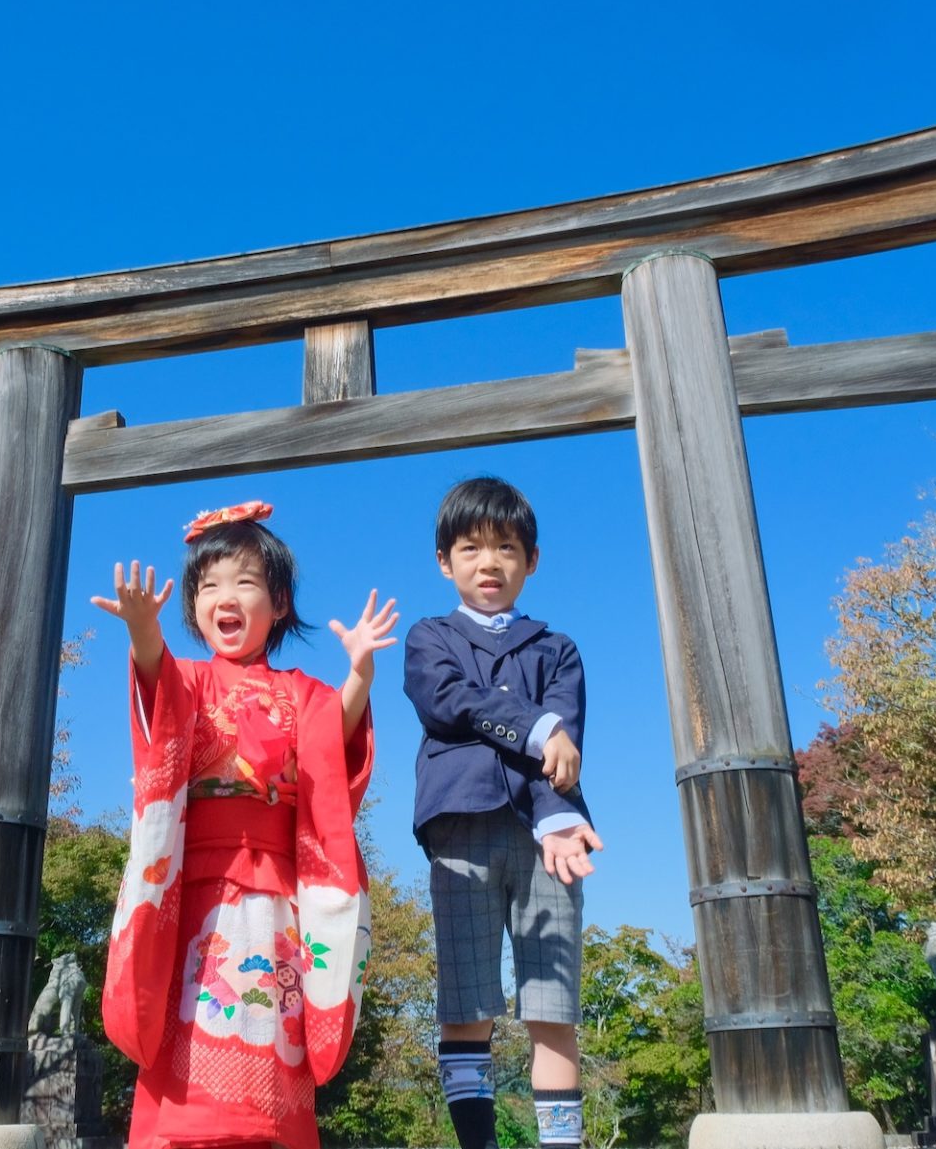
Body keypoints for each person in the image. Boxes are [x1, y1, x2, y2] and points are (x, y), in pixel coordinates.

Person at [95, 500, 398, 1149]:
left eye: (244, 581)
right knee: (184, 1050)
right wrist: (143, 632)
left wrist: (360, 673)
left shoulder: (300, 691)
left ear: (280, 601)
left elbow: (327, 743)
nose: (224, 596)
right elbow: (160, 703)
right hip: (191, 897)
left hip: (274, 901)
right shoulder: (193, 680)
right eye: (208, 585)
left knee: (266, 1040)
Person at [404, 476, 604, 1149]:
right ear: (444, 560)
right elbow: (447, 702)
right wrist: (537, 726)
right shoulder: (429, 637)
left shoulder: (558, 648)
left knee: (554, 1008)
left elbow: (564, 748)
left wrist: (555, 810)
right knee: (466, 1004)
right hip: (458, 826)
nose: (489, 562)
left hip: (549, 833)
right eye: (470, 548)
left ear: (532, 560)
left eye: (507, 547)